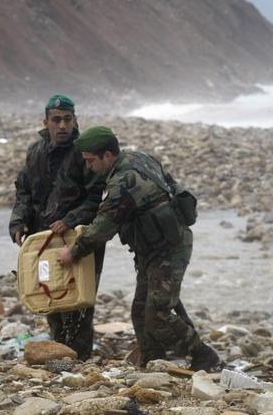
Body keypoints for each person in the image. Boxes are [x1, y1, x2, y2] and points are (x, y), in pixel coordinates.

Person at [58, 126, 219, 370]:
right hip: (152, 250)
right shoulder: (138, 157)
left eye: (91, 161)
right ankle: (152, 360)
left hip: (169, 251)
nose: (89, 167)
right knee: (141, 310)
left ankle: (204, 355)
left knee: (157, 317)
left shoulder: (124, 182)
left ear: (108, 155)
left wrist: (72, 252)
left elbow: (102, 228)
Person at [9, 95, 105, 360]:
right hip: (44, 238)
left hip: (79, 237)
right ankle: (59, 352)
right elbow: (24, 191)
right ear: (46, 122)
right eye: (56, 120)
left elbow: (96, 197)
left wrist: (72, 219)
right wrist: (19, 221)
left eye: (67, 119)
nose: (62, 125)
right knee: (49, 292)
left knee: (79, 297)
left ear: (75, 120)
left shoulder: (84, 152)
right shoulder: (35, 152)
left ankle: (80, 358)